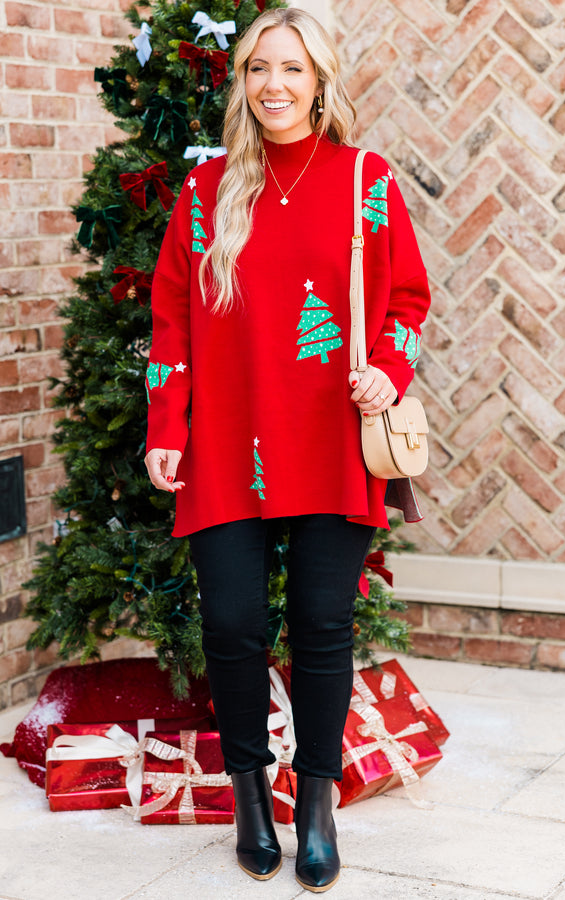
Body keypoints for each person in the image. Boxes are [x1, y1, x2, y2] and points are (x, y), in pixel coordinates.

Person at [144, 7, 430, 893]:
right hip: (227, 442)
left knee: (322, 629)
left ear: (320, 81)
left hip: (331, 439)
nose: (274, 85)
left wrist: (387, 371)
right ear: (244, 82)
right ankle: (248, 797)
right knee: (231, 628)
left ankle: (314, 805)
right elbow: (171, 323)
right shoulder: (208, 192)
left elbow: (407, 303)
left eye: (293, 70)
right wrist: (165, 428)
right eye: (260, 68)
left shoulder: (364, 181)